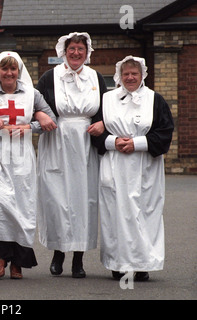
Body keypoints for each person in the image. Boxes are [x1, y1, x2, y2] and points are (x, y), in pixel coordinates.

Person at [0, 51, 57, 279]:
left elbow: (49, 120)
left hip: (22, 156)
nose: (9, 73)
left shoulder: (32, 95)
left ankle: (16, 262)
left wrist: (29, 127)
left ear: (19, 71)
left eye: (13, 69)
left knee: (21, 207)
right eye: (4, 69)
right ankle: (0, 256)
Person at [91, 56, 174, 281]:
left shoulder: (155, 100)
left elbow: (165, 132)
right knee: (116, 215)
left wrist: (137, 143)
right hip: (114, 165)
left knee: (144, 213)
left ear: (142, 75)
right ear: (119, 76)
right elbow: (95, 134)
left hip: (145, 166)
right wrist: (114, 142)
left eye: (134, 74)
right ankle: (118, 264)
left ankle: (142, 263)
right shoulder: (106, 99)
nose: (130, 77)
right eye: (126, 74)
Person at [35, 32, 107, 278]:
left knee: (83, 200)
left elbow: (108, 108)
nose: (76, 53)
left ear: (87, 52)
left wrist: (102, 124)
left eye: (80, 48)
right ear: (63, 51)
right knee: (57, 200)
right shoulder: (49, 77)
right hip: (56, 140)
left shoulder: (96, 78)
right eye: (72, 48)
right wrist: (40, 114)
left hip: (85, 143)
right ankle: (58, 253)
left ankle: (78, 258)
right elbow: (35, 104)